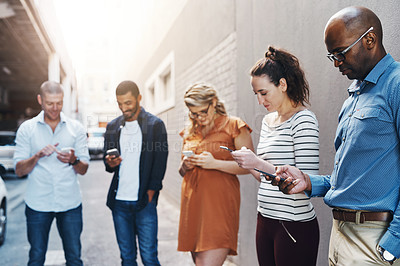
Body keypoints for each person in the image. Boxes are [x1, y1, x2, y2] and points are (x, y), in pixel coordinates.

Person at [273, 6, 400, 266]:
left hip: (374, 241)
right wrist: (309, 182)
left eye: (341, 53)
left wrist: (393, 243)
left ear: (370, 40)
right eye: (332, 57)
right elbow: (351, 178)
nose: (337, 64)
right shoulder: (353, 97)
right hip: (340, 234)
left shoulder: (396, 85)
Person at [231, 46, 320, 266]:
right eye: (256, 95)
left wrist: (257, 161)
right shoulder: (268, 121)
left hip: (293, 225)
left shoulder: (304, 120)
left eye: (264, 93)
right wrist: (247, 161)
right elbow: (264, 177)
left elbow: (305, 181)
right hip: (265, 219)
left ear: (282, 84)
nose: (260, 101)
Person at [13, 81, 90, 266]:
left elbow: (84, 169)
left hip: (69, 203)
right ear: (40, 100)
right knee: (37, 257)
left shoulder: (76, 128)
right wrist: (37, 155)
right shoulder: (27, 129)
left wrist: (73, 160)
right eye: (50, 103)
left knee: (74, 258)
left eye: (59, 103)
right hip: (38, 203)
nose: (55, 108)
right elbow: (19, 170)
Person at [177, 82, 254, 266]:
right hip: (192, 206)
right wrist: (185, 165)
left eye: (202, 111)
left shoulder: (234, 125)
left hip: (218, 206)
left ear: (213, 103)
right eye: (193, 113)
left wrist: (215, 163)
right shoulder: (190, 131)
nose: (198, 117)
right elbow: (181, 172)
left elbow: (249, 167)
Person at [103, 80, 168, 266]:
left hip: (144, 203)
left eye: (128, 103)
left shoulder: (155, 125)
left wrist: (151, 192)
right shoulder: (112, 127)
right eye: (120, 104)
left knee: (149, 257)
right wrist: (111, 163)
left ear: (139, 98)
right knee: (127, 258)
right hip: (119, 203)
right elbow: (108, 167)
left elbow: (160, 162)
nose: (124, 108)